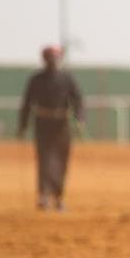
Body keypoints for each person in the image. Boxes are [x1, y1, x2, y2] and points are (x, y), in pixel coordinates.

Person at [17, 46, 84, 211]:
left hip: (62, 124)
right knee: (45, 160)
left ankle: (59, 197)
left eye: (55, 57)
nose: (52, 61)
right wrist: (23, 125)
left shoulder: (66, 78)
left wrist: (80, 118)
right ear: (44, 59)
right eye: (49, 57)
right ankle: (44, 196)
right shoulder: (36, 79)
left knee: (61, 160)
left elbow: (78, 99)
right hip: (43, 124)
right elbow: (27, 103)